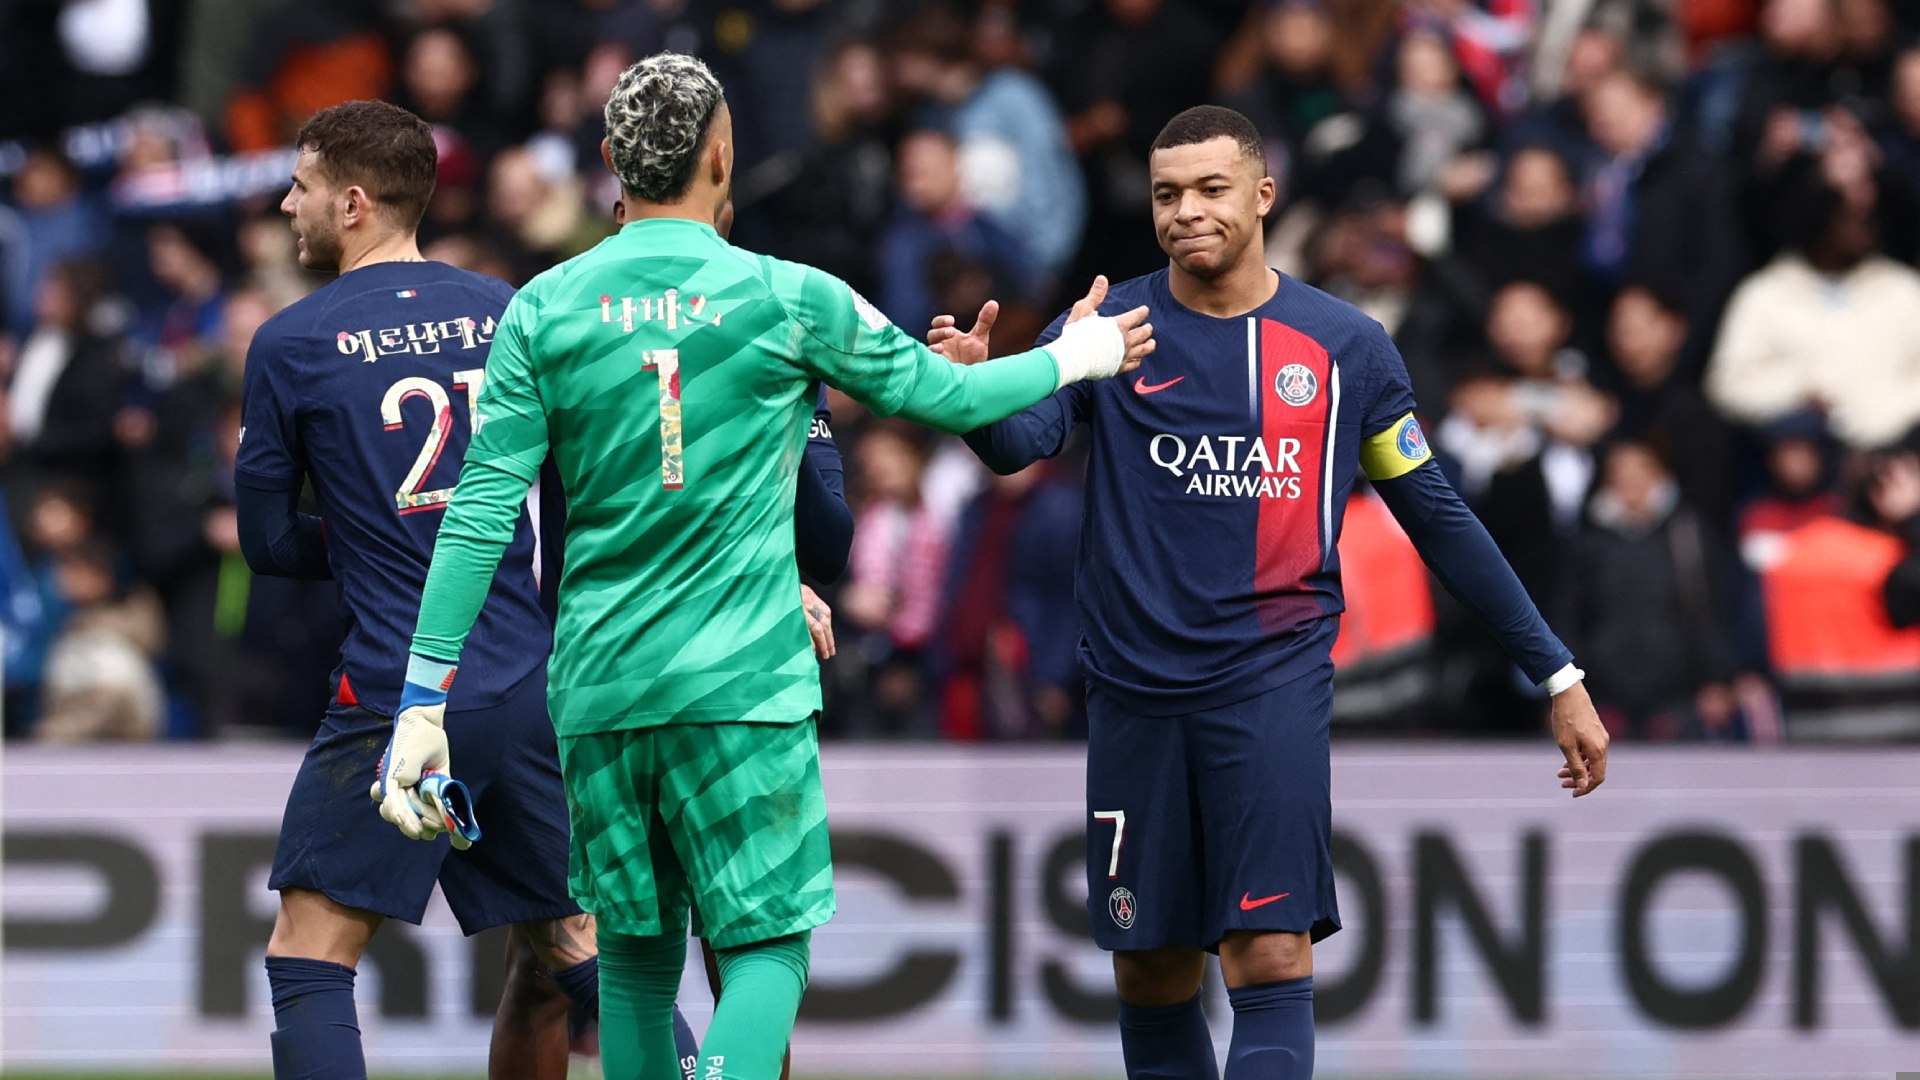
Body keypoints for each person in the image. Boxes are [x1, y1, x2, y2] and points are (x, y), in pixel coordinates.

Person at [374, 52, 1153, 1080]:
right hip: (743, 680)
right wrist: (1080, 356)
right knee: (768, 949)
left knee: (639, 965)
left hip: (603, 688)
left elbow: (479, 516)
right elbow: (954, 401)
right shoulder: (788, 297)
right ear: (724, 156)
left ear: (608, 159)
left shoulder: (544, 309)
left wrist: (422, 698)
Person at [929, 104, 1610, 1080]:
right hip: (1134, 696)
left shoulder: (1344, 349)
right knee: (1152, 970)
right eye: (1168, 194)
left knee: (1269, 953)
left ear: (1263, 193)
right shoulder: (1108, 329)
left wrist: (1556, 672)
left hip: (1269, 686)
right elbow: (1018, 446)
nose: (1186, 211)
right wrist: (972, 392)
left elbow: (1438, 518)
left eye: (1211, 189)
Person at [236, 99, 609, 1080]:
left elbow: (268, 542)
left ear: (352, 202)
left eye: (303, 188)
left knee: (310, 960)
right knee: (576, 951)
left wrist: (373, 543)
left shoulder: (292, 342)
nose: (287, 206)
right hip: (529, 681)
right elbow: (572, 491)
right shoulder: (507, 309)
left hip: (403, 695)